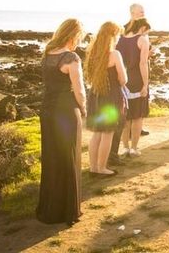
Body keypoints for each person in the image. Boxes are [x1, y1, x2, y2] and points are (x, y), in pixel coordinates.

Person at [37, 19, 86, 225]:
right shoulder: (71, 57)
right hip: (66, 111)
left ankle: (50, 209)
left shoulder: (48, 53)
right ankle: (68, 211)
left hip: (47, 110)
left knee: (51, 158)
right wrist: (84, 108)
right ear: (74, 35)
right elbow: (79, 89)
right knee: (69, 158)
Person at [85, 22, 127, 177]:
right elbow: (123, 80)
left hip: (95, 95)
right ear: (112, 36)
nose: (118, 38)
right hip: (110, 97)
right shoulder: (114, 54)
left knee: (97, 133)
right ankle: (102, 168)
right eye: (117, 35)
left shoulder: (93, 53)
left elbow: (89, 78)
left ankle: (93, 168)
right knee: (107, 133)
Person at [117, 18, 151, 157]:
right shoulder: (142, 39)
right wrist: (145, 84)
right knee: (137, 117)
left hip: (121, 80)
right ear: (142, 27)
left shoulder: (119, 38)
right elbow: (143, 64)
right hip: (137, 80)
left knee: (125, 116)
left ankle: (124, 147)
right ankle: (134, 148)